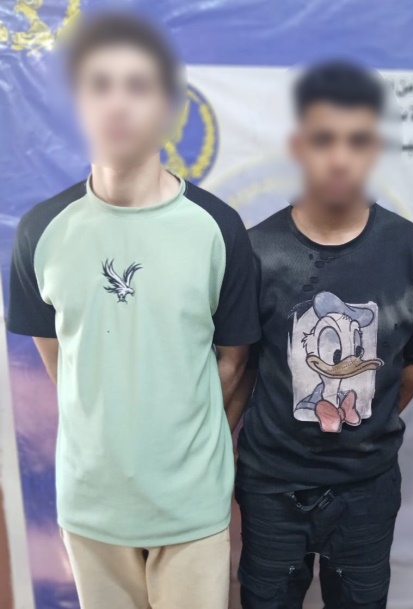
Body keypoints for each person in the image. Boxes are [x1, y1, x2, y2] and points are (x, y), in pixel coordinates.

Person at [7, 12, 260, 609]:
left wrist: (184, 456)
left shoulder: (218, 229)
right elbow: (61, 362)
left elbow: (234, 365)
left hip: (191, 508)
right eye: (100, 86)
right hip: (92, 507)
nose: (117, 104)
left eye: (138, 86)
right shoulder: (41, 232)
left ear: (167, 109)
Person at [230, 61, 413, 609]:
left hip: (367, 488)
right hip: (271, 484)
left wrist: (365, 411)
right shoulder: (255, 252)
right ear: (299, 147)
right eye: (324, 139)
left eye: (357, 140)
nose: (340, 156)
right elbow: (242, 365)